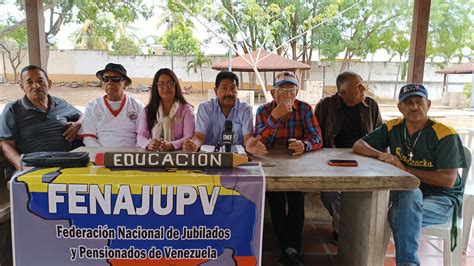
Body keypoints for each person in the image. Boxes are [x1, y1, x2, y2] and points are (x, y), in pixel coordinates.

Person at [353, 83, 466, 266]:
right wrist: (382, 154)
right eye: (408, 102)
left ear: (428, 104)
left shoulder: (445, 134)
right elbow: (358, 145)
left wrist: (406, 169)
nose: (414, 107)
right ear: (400, 107)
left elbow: (448, 181)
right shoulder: (393, 127)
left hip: (441, 199)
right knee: (408, 195)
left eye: (419, 101)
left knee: (396, 214)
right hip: (406, 193)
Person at [255, 71, 323, 266]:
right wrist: (275, 117)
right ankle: (288, 248)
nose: (287, 95)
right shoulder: (263, 110)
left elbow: (317, 137)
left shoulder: (304, 109)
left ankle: (291, 248)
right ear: (272, 92)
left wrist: (304, 145)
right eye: (282, 90)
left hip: (296, 164)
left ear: (297, 91)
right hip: (271, 165)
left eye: (291, 90)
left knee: (296, 201)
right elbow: (258, 142)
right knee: (275, 202)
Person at [315, 71, 382, 244]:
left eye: (362, 84)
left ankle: (346, 228)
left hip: (365, 159)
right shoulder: (325, 106)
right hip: (331, 160)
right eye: (358, 86)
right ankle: (343, 227)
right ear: (343, 92)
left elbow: (380, 136)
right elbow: (316, 137)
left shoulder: (371, 106)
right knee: (329, 193)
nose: (363, 88)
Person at [0, 65, 82, 172]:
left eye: (41, 81)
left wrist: (77, 125)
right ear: (22, 87)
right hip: (32, 165)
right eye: (29, 82)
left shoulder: (61, 103)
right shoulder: (13, 109)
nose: (36, 85)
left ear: (49, 84)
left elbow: (83, 115)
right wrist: (22, 167)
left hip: (66, 163)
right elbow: (6, 144)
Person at [183, 71, 266, 155]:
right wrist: (194, 145)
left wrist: (250, 144)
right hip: (210, 158)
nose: (229, 93)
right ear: (216, 91)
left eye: (233, 89)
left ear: (237, 90)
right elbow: (199, 136)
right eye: (224, 88)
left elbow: (247, 137)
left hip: (236, 157)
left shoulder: (245, 109)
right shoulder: (205, 108)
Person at [79, 63, 144, 147]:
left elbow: (142, 136)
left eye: (116, 79)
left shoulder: (137, 106)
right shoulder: (92, 106)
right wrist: (104, 155)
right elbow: (89, 138)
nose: (109, 82)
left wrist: (132, 156)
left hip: (129, 156)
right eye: (105, 79)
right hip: (100, 155)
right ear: (102, 83)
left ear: (125, 83)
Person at [137, 68, 195, 151]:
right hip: (153, 158)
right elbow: (140, 136)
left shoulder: (186, 110)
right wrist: (149, 144)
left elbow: (189, 136)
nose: (166, 88)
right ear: (156, 87)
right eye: (161, 84)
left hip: (178, 158)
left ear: (176, 86)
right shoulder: (148, 110)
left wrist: (172, 145)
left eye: (170, 84)